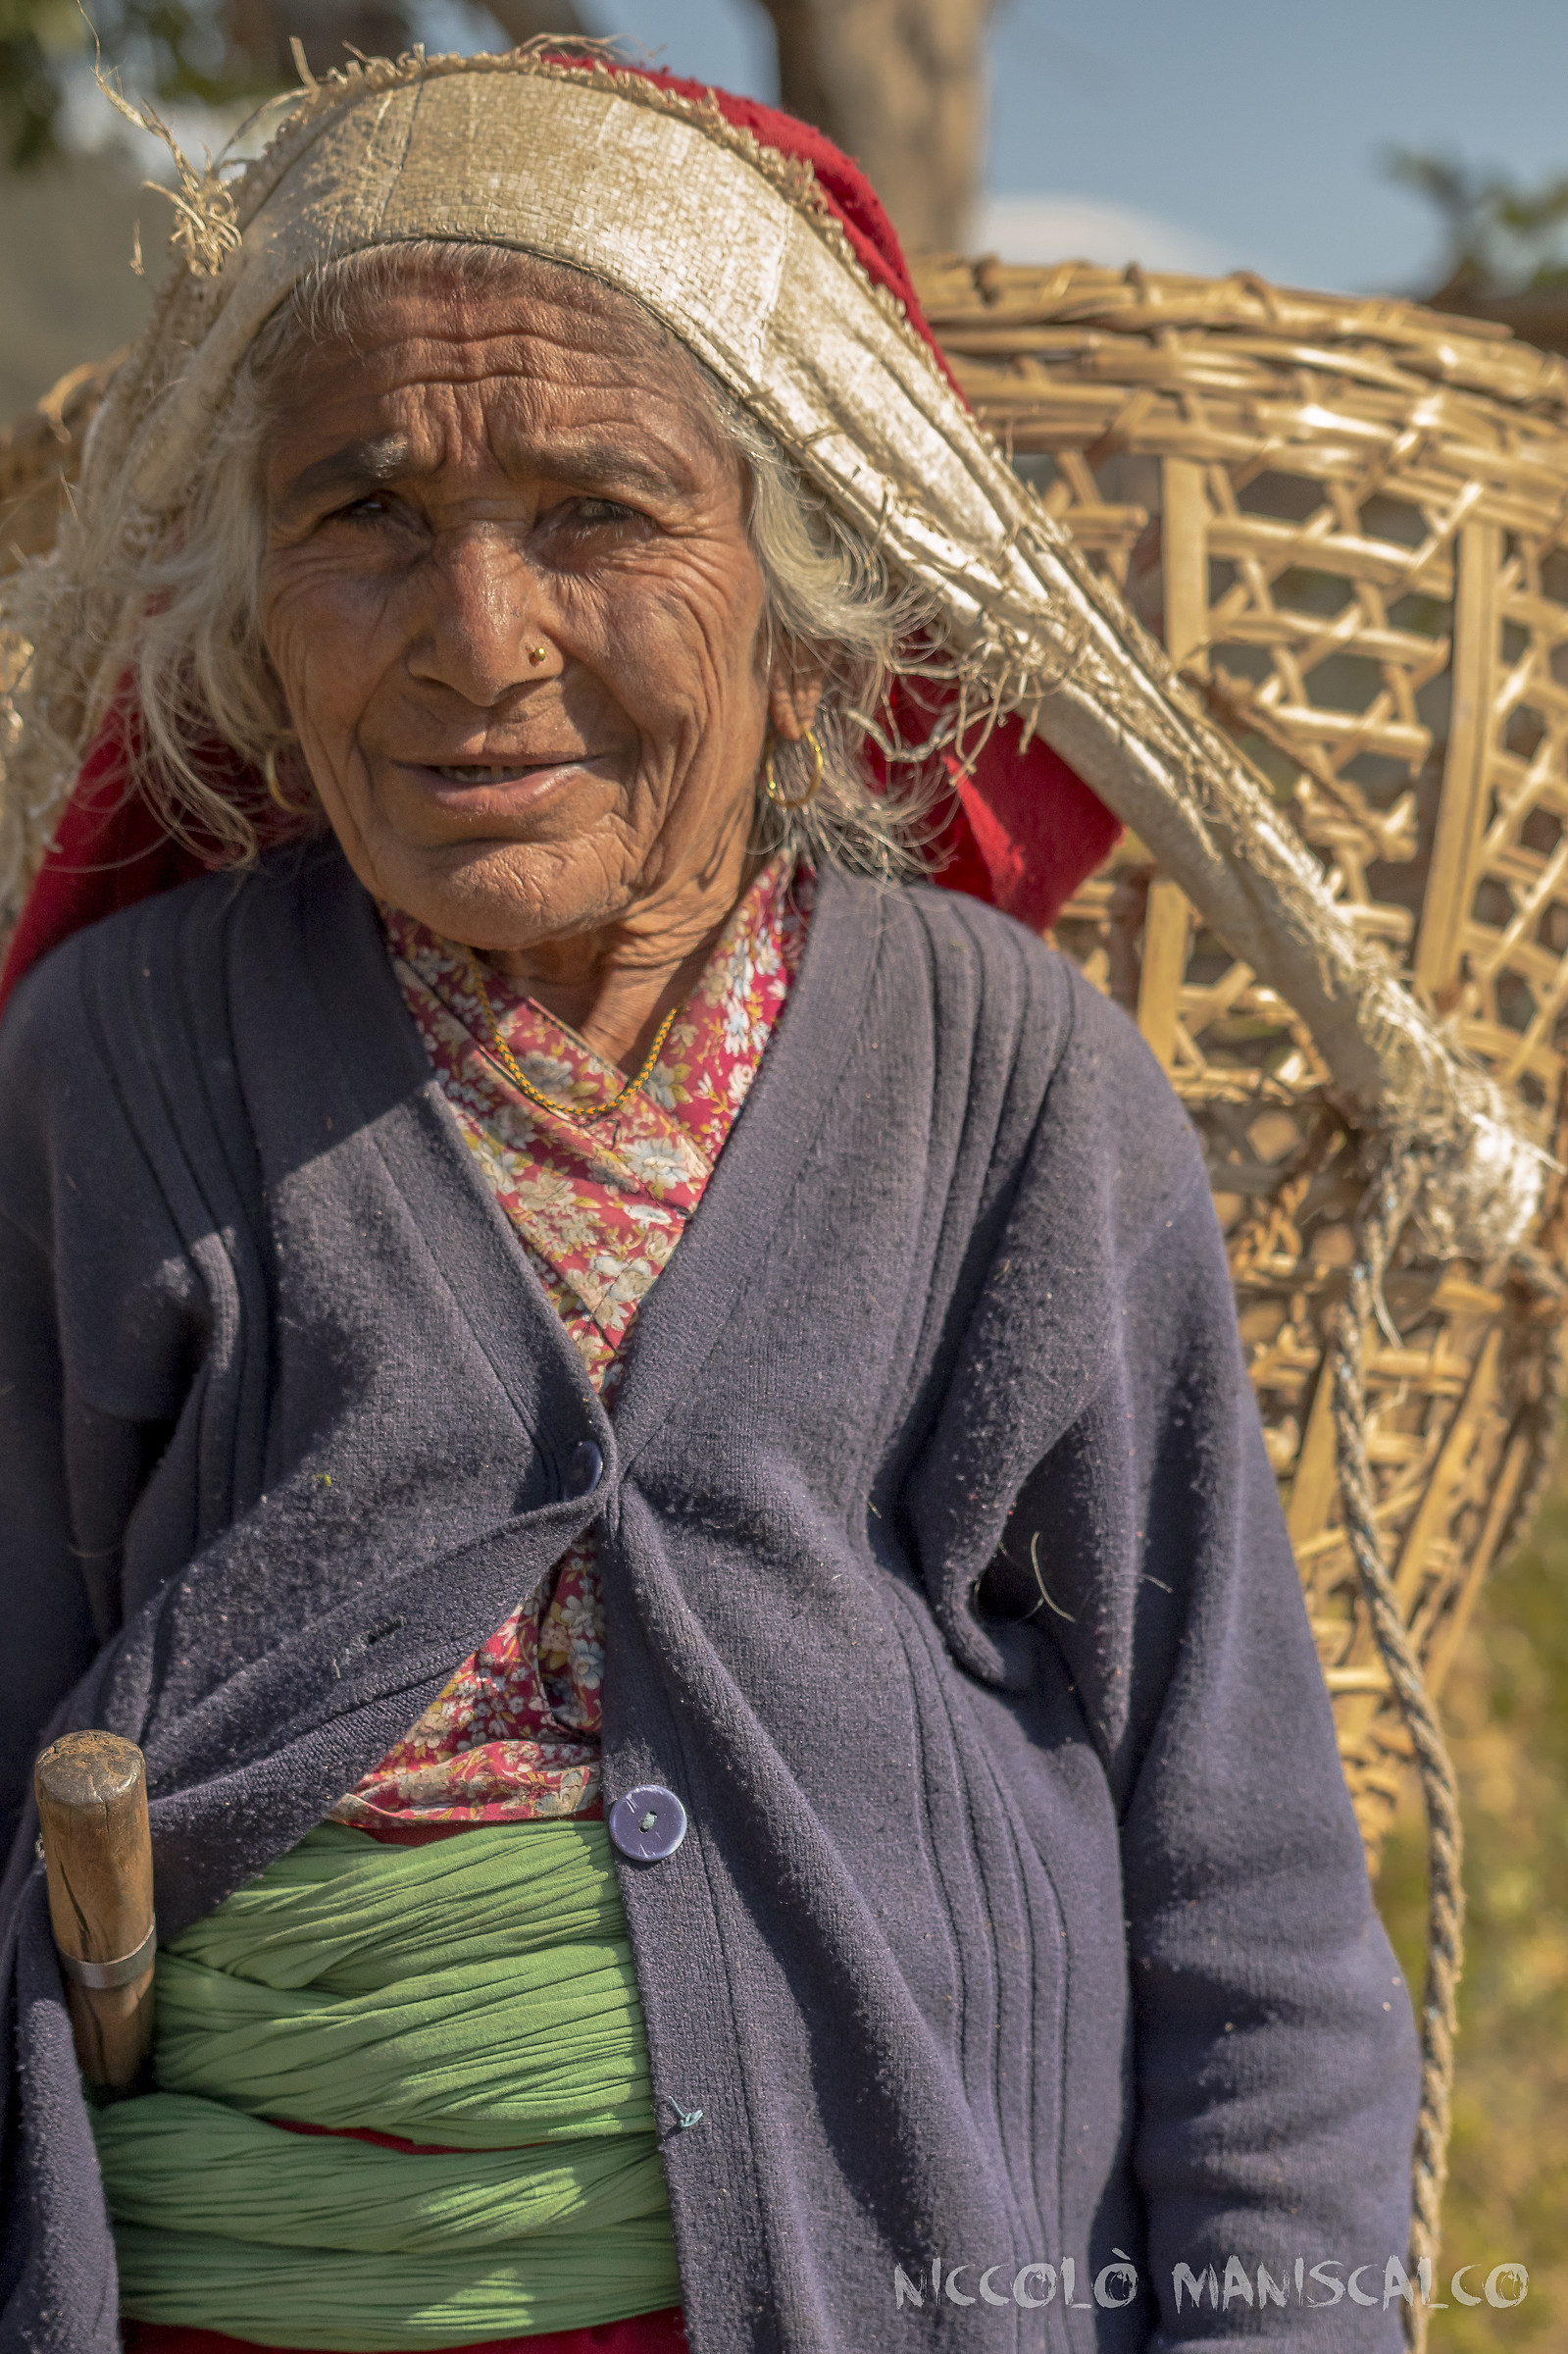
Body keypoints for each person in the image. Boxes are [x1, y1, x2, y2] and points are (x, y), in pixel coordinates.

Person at [0, 42, 1418, 2354]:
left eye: (596, 510)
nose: (476, 635)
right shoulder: (123, 1071)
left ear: (797, 598)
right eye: (362, 512)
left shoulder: (1008, 1091)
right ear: (254, 600)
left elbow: (1241, 1903)